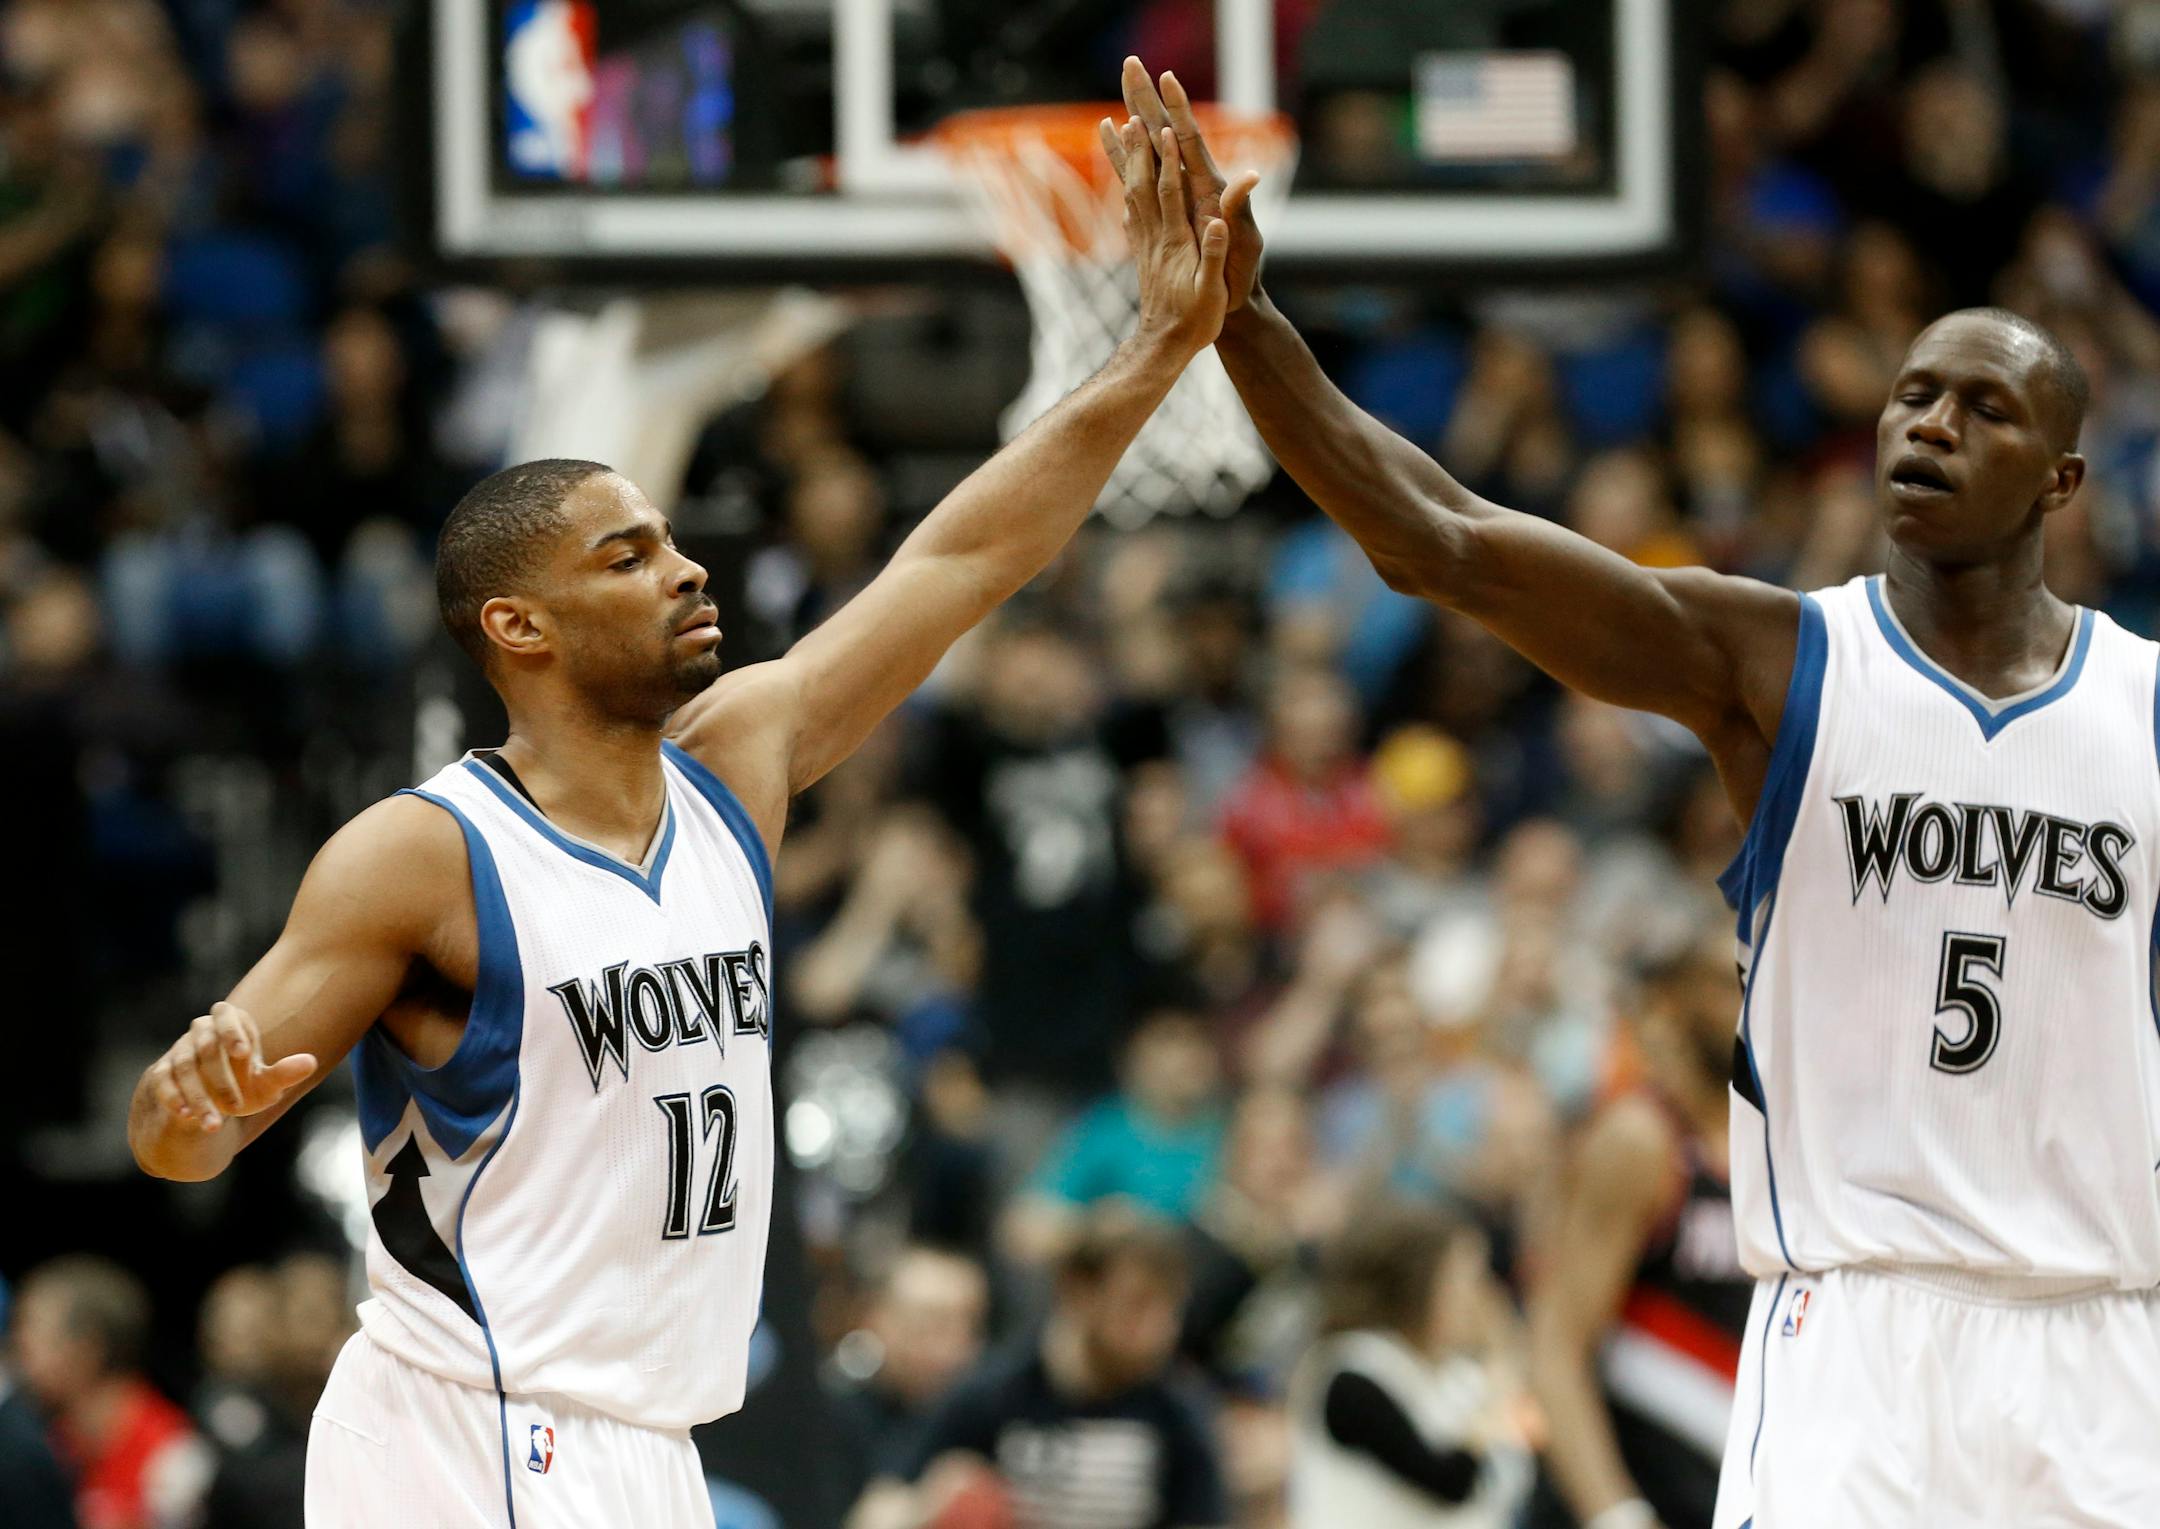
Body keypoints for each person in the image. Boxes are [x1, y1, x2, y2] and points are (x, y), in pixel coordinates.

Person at [124, 121, 1237, 1529]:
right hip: (476, 1427)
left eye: (672, 537)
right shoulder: (426, 856)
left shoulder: (738, 765)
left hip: (642, 1441)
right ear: (517, 626)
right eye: (629, 554)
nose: (687, 564)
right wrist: (180, 1114)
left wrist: (1148, 355)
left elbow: (965, 557)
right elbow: (191, 1141)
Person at [1111, 57, 2160, 1525]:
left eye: (1983, 410)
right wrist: (1253, 324)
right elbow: (1445, 542)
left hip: (2103, 1334)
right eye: (1912, 394)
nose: (1927, 424)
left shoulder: (2145, 709)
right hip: (1850, 1330)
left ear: (2062, 483)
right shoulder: (1790, 663)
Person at [1524, 933, 1753, 1529]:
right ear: (1673, 1005)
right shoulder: (1643, 1140)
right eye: (1728, 979)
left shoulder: (1779, 1140)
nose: (1752, 991)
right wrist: (1613, 1511)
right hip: (1640, 1491)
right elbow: (1557, 1346)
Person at [850, 1213, 1228, 1529]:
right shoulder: (992, 1395)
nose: (1158, 1331)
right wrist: (927, 1504)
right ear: (1078, 1293)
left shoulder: (1179, 1414)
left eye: (1170, 1310)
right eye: (1137, 1306)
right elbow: (873, 1513)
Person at [1285, 1204, 1533, 1529]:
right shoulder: (1354, 1374)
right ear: (1421, 1284)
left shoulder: (1461, 1377)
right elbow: (1447, 1482)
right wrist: (1498, 1370)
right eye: (1464, 1282)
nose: (1480, 1299)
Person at [12, 1257, 211, 1529]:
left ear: (88, 1350)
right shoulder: (43, 1445)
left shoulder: (173, 1459)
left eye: (34, 1333)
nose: (20, 1351)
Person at [822, 1246, 991, 1508]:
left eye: (966, 1324)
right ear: (875, 1318)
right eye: (928, 1324)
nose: (947, 1345)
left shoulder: (991, 1416)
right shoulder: (834, 1412)